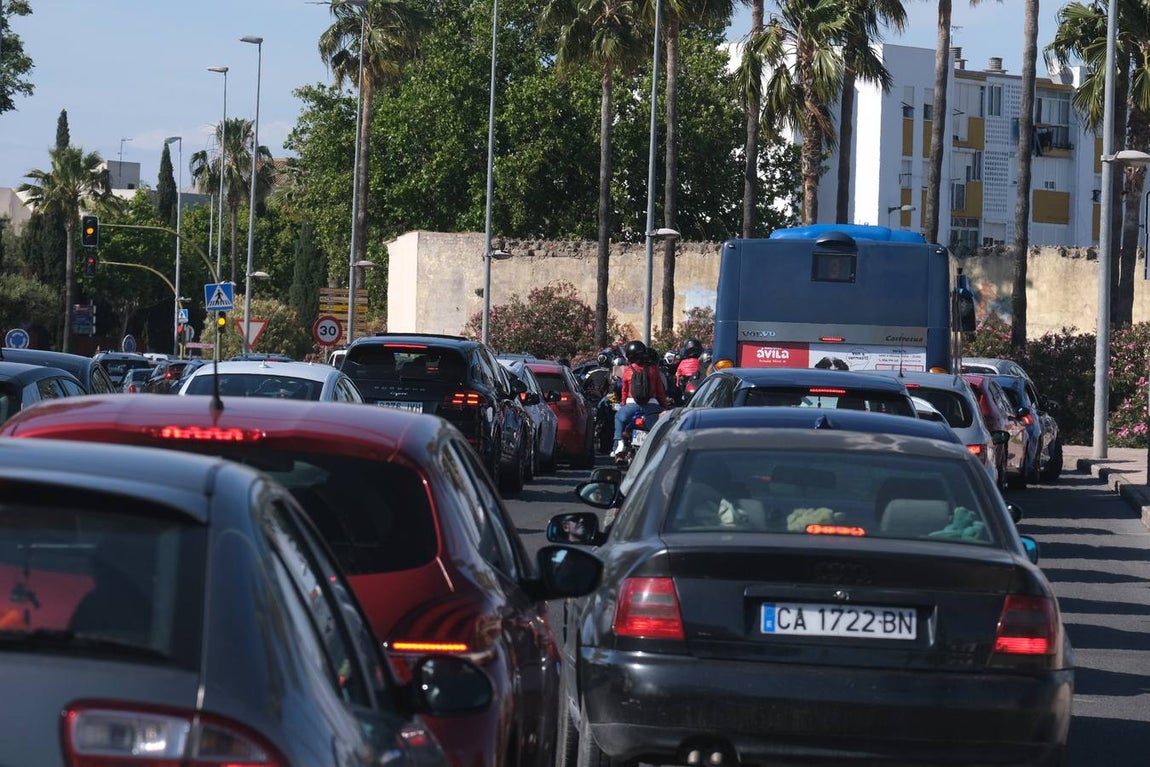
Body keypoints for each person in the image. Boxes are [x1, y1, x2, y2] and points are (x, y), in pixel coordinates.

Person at [611, 340, 671, 458]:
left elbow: (624, 391)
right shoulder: (653, 370)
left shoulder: (628, 370)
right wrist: (663, 407)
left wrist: (624, 405)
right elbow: (660, 392)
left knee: (618, 417)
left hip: (631, 405)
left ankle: (619, 443)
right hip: (652, 406)